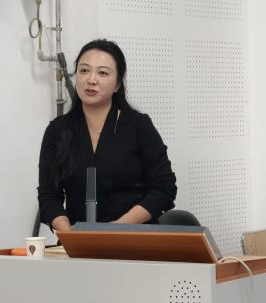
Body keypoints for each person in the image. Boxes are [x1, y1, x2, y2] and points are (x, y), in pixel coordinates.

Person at [37, 39, 177, 231]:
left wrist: (116, 228)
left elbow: (164, 188)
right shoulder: (57, 130)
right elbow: (48, 195)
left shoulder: (138, 126)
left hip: (134, 237)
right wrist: (67, 232)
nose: (91, 79)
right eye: (84, 70)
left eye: (102, 73)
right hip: (79, 241)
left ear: (117, 84)